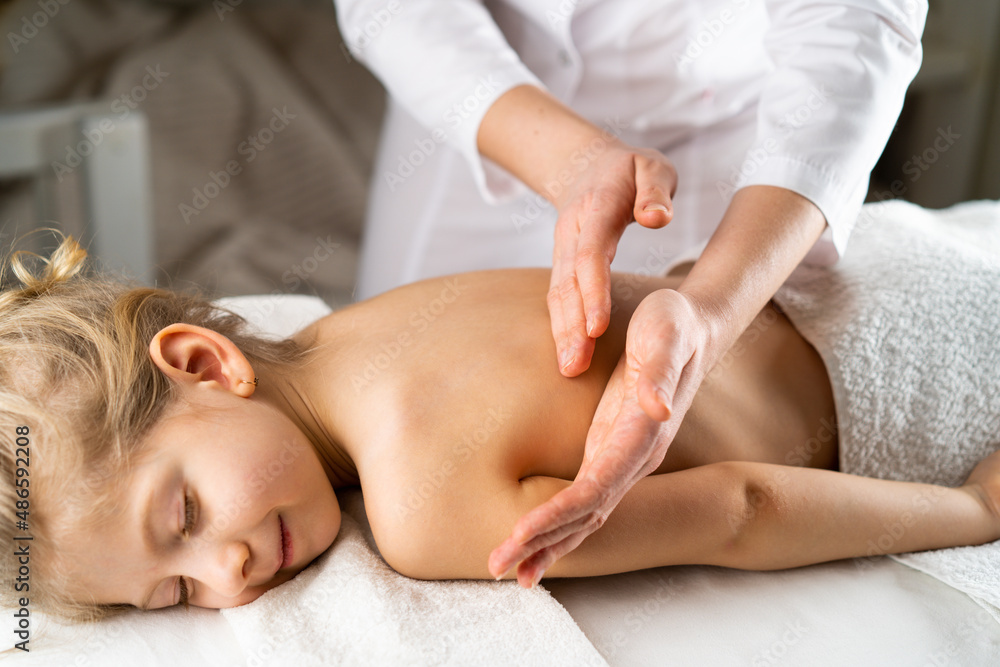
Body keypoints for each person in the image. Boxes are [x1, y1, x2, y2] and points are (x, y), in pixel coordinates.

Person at [1, 219, 998, 617]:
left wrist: (969, 513)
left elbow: (740, 508)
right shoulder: (366, 320)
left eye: (182, 516)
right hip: (864, 266)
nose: (226, 576)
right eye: (171, 595)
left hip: (917, 389)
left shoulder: (423, 511)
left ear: (205, 363)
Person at [334, 0, 929, 582]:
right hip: (475, 96)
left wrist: (710, 310)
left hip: (711, 141)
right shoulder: (369, 383)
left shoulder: (423, 522)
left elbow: (853, 26)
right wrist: (570, 158)